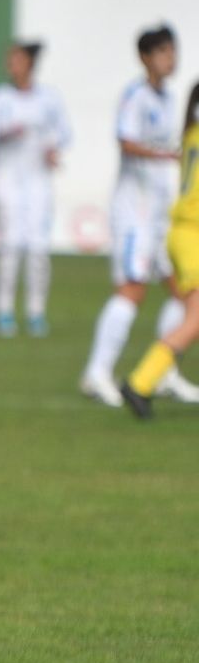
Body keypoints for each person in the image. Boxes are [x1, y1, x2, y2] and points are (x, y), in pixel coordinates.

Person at [81, 25, 199, 406]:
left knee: (184, 296)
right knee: (132, 289)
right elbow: (126, 141)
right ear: (145, 57)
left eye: (173, 51)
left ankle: (163, 371)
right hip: (136, 209)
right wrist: (166, 155)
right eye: (163, 52)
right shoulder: (135, 96)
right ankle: (97, 373)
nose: (171, 59)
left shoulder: (169, 99)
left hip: (165, 212)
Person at [0, 40, 71, 337]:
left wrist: (53, 150)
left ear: (29, 63)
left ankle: (36, 312)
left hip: (38, 180)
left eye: (15, 59)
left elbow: (65, 133)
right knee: (10, 245)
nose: (10, 65)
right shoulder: (0, 98)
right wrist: (4, 132)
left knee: (39, 248)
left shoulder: (49, 99)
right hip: (7, 180)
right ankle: (4, 312)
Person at [121, 82, 199, 418]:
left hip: (184, 232)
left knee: (190, 312)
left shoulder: (190, 135)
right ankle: (141, 382)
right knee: (196, 319)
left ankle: (144, 382)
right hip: (193, 233)